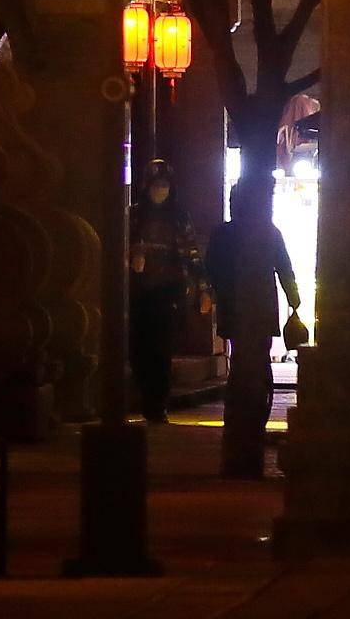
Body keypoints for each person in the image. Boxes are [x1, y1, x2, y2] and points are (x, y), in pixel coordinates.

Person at [209, 165, 305, 479]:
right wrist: (294, 301)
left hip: (235, 307)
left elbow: (211, 268)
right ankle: (254, 417)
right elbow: (285, 268)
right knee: (259, 363)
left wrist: (215, 293)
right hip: (262, 307)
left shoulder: (225, 233)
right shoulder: (269, 231)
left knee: (243, 364)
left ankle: (241, 422)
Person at [123, 162, 199, 424]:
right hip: (139, 290)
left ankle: (158, 404)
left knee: (162, 348)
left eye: (165, 186)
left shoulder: (178, 216)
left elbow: (190, 252)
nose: (160, 190)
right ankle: (146, 398)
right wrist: (132, 258)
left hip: (168, 290)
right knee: (140, 348)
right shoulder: (134, 215)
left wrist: (199, 285)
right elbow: (120, 245)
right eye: (156, 186)